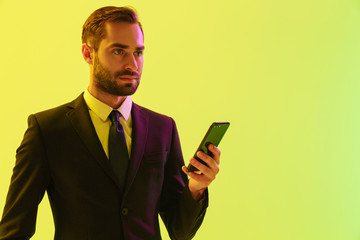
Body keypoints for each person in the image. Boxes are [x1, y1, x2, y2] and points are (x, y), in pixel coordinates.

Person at [0, 6, 221, 240]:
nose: (133, 65)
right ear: (88, 53)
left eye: (138, 52)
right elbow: (14, 229)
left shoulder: (163, 128)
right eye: (119, 52)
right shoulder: (47, 129)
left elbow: (180, 230)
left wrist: (196, 187)